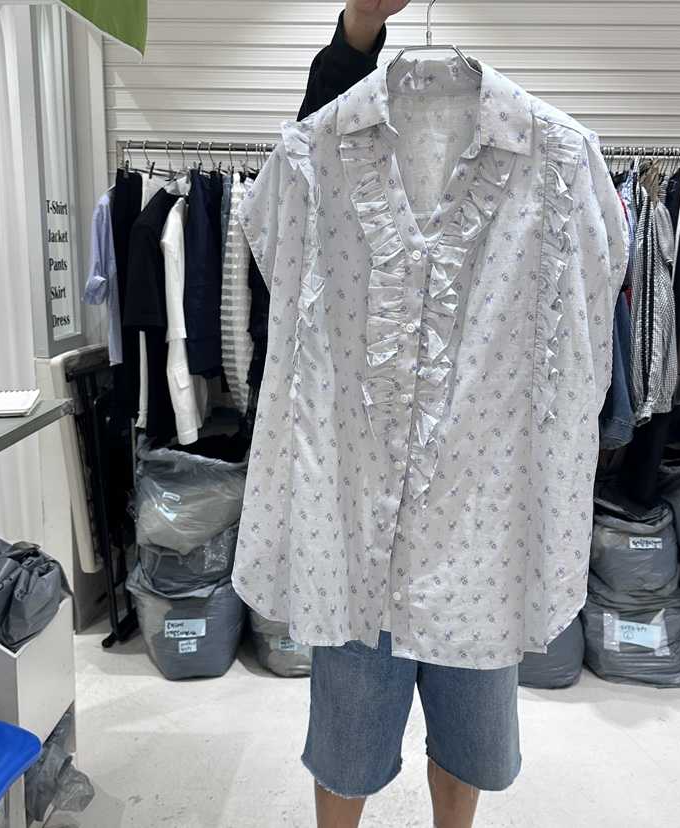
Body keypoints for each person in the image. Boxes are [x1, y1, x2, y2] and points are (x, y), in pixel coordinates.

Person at [291, 4, 520, 827]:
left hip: (477, 524)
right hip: (360, 515)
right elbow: (306, 158)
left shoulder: (543, 157)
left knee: (470, 736)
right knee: (346, 737)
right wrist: (359, 24)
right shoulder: (326, 152)